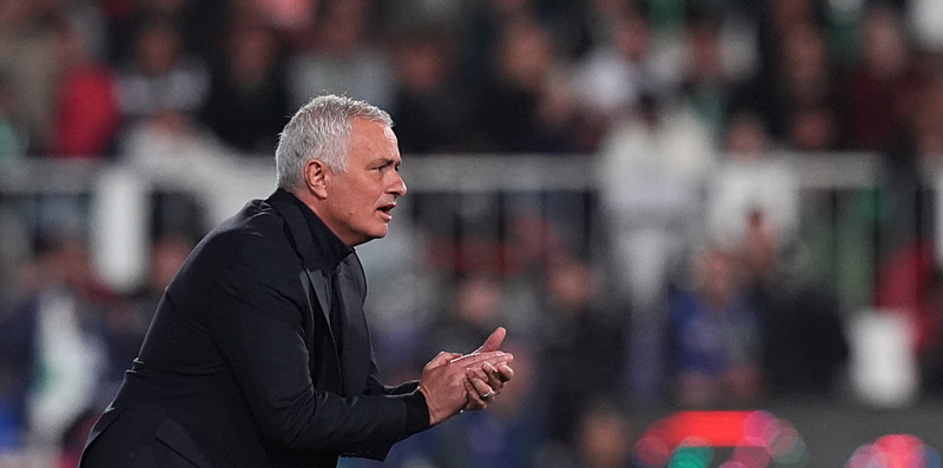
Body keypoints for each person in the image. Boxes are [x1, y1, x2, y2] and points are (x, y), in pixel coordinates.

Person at [77, 94, 515, 468]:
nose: (399, 185)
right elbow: (293, 419)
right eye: (380, 168)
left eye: (396, 168)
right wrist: (423, 405)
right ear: (318, 176)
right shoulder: (253, 254)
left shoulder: (341, 266)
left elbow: (350, 405)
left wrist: (441, 391)